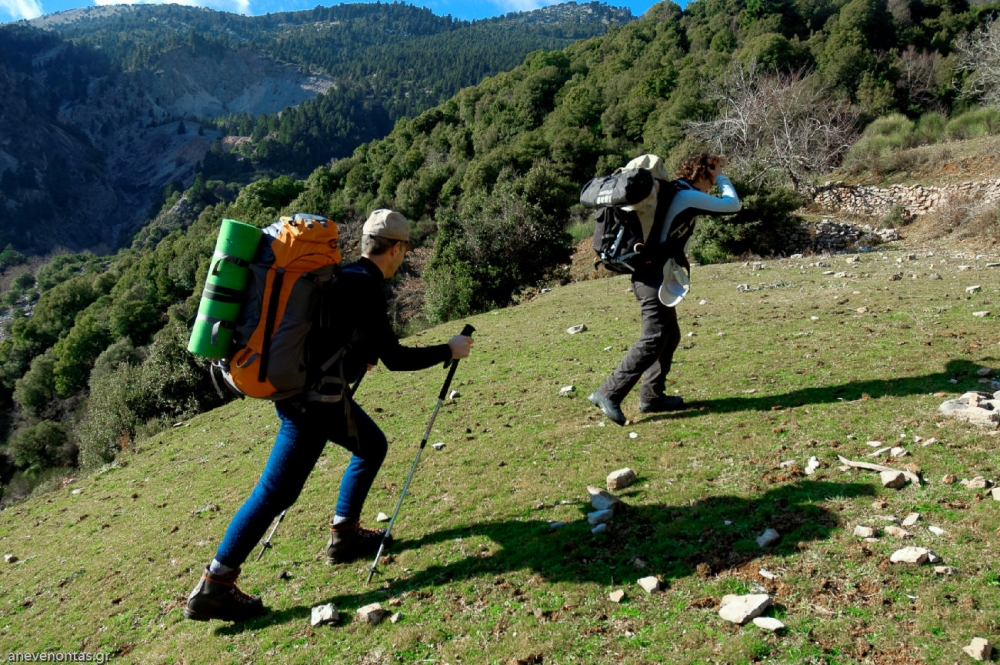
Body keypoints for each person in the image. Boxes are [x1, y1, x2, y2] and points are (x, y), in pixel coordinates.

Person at [184, 209, 474, 622]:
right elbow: (395, 359)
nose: (404, 257)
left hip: (309, 395)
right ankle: (215, 585)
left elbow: (331, 335)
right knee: (275, 492)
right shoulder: (366, 287)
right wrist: (449, 349)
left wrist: (357, 354)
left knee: (370, 446)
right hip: (313, 403)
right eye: (405, 250)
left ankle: (345, 535)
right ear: (395, 248)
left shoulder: (345, 276)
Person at [588, 153, 741, 425]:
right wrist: (721, 178)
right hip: (653, 275)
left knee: (669, 335)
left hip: (652, 272)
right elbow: (732, 205)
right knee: (654, 337)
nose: (714, 181)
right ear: (704, 172)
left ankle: (652, 397)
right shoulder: (686, 196)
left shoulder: (675, 192)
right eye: (713, 173)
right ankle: (608, 393)